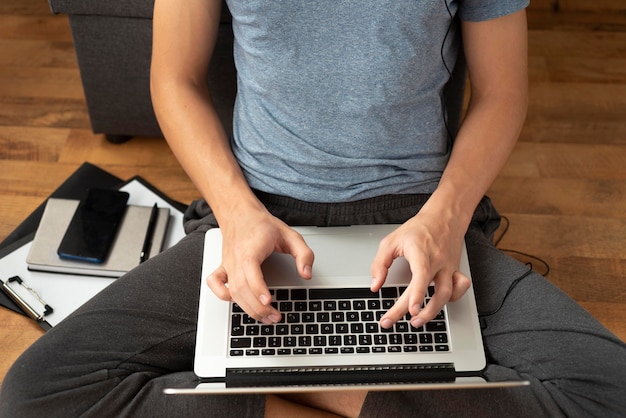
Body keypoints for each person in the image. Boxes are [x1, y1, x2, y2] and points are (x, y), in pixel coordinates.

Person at [1, 1, 625, 417]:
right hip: (258, 217)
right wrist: (237, 212)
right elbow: (173, 79)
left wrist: (445, 218)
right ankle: (328, 373)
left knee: (609, 390)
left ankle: (282, 373)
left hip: (418, 221)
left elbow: (504, 91)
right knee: (36, 395)